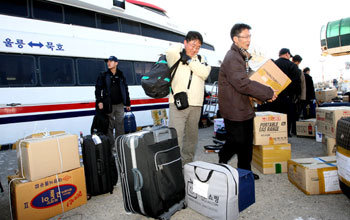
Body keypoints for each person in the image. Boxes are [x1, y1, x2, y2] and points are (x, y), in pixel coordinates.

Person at [218, 23, 277, 180]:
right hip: (233, 107)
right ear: (235, 39)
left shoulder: (242, 55)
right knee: (236, 141)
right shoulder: (232, 57)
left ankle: (245, 172)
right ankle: (222, 157)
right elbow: (242, 83)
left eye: (250, 36)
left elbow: (248, 80)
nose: (249, 40)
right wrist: (267, 92)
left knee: (246, 143)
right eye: (245, 37)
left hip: (244, 105)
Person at [166, 31, 211, 165]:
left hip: (196, 105)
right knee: (176, 136)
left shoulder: (201, 59)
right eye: (193, 45)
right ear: (185, 42)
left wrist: (190, 60)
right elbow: (169, 50)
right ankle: (174, 167)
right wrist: (183, 51)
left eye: (198, 47)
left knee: (191, 139)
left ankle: (187, 164)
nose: (195, 49)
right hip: (178, 103)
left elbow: (204, 73)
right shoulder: (176, 56)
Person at [95, 56, 131, 142]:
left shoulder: (121, 75)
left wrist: (128, 103)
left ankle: (120, 144)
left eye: (111, 61)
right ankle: (111, 146)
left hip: (120, 104)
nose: (108, 63)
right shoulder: (103, 75)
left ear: (116, 63)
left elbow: (125, 89)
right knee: (109, 126)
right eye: (108, 61)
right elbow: (98, 89)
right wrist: (99, 101)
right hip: (108, 104)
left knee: (120, 125)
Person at [273, 48, 301, 137]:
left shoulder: (273, 64)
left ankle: (275, 134)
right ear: (287, 54)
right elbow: (297, 82)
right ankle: (286, 133)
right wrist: (296, 95)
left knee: (276, 115)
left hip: (274, 95)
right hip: (288, 96)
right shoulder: (292, 66)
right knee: (287, 116)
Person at [292, 54, 305, 133]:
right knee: (296, 113)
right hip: (296, 96)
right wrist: (302, 97)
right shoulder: (299, 71)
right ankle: (294, 129)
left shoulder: (286, 67)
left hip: (286, 95)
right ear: (299, 62)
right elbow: (303, 84)